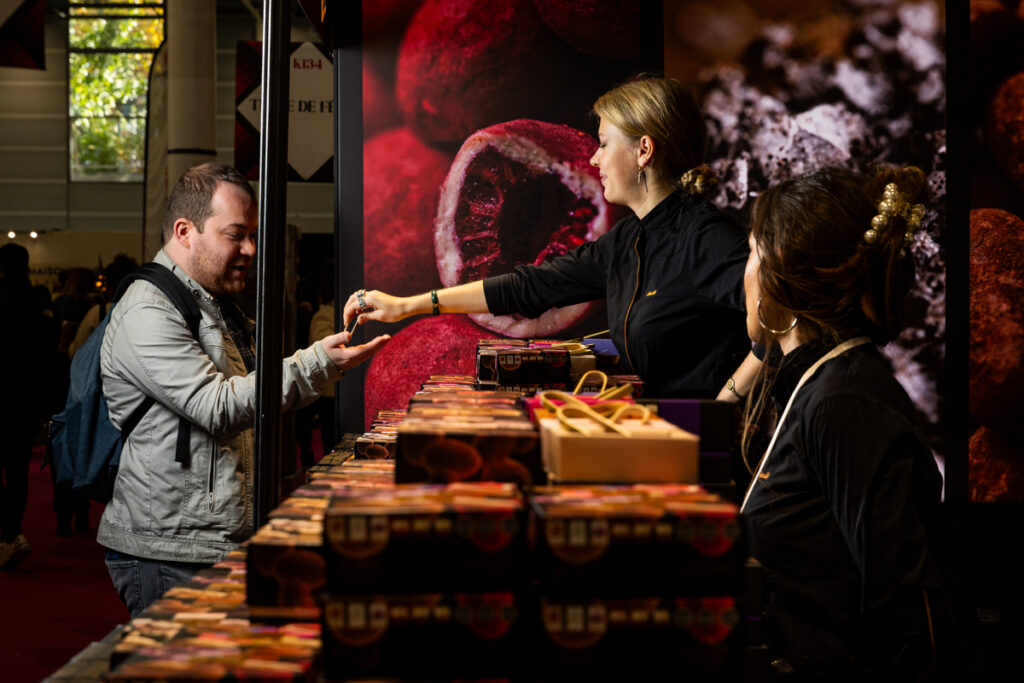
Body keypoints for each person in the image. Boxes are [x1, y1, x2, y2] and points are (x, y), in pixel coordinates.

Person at [344, 76, 756, 399]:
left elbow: (780, 320)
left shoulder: (706, 238)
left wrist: (727, 403)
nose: (595, 158)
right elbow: (531, 286)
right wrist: (409, 305)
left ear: (643, 150)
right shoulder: (628, 239)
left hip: (705, 454)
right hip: (658, 443)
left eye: (604, 144)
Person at [97, 163, 389, 617]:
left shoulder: (212, 303)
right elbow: (216, 405)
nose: (250, 250)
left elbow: (254, 396)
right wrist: (316, 362)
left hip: (209, 538)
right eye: (236, 235)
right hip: (171, 550)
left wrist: (324, 358)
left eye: (252, 236)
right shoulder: (147, 310)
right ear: (185, 231)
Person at [738, 166, 968, 679]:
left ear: (780, 274)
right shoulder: (818, 382)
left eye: (751, 251)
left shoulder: (844, 403)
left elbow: (907, 617)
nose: (743, 270)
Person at [0, 243, 58, 570]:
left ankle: (8, 533)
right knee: (18, 470)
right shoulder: (40, 303)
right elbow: (48, 357)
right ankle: (12, 533)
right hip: (25, 400)